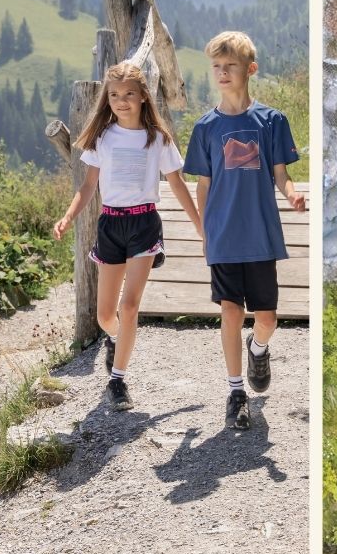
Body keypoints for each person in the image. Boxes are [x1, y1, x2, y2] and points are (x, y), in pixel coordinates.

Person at [53, 61, 202, 411]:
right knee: (106, 316)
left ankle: (117, 381)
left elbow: (177, 183)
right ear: (108, 98)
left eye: (129, 94)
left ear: (142, 97)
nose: (121, 101)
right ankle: (116, 338)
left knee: (129, 305)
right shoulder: (102, 138)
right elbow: (88, 185)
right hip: (110, 225)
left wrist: (199, 224)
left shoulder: (158, 139)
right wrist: (68, 215)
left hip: (144, 224)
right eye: (115, 95)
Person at [183, 31, 305, 431]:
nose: (222, 73)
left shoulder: (272, 121)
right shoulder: (205, 128)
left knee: (266, 319)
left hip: (260, 235)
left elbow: (281, 175)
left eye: (230, 66)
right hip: (223, 235)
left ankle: (259, 349)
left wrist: (292, 195)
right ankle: (236, 391)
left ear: (249, 69)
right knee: (231, 311)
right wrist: (205, 232)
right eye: (216, 67)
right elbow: (202, 184)